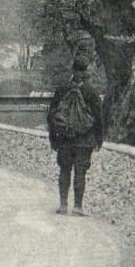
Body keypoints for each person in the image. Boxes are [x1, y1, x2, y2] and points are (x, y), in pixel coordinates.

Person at [47, 51, 104, 216]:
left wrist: (53, 138)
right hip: (84, 139)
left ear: (72, 70)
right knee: (81, 171)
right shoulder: (91, 92)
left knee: (64, 170)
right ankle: (78, 206)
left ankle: (63, 205)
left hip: (64, 138)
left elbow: (51, 115)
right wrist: (99, 139)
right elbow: (99, 117)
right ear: (85, 71)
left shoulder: (62, 90)